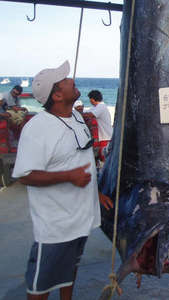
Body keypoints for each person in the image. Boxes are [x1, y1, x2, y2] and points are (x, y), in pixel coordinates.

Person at [12, 60, 113, 300]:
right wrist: (68, 177)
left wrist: (94, 194)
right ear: (57, 95)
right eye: (65, 80)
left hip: (80, 220)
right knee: (41, 284)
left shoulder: (76, 118)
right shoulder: (37, 128)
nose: (71, 80)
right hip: (55, 227)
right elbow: (25, 175)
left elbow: (79, 160)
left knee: (69, 272)